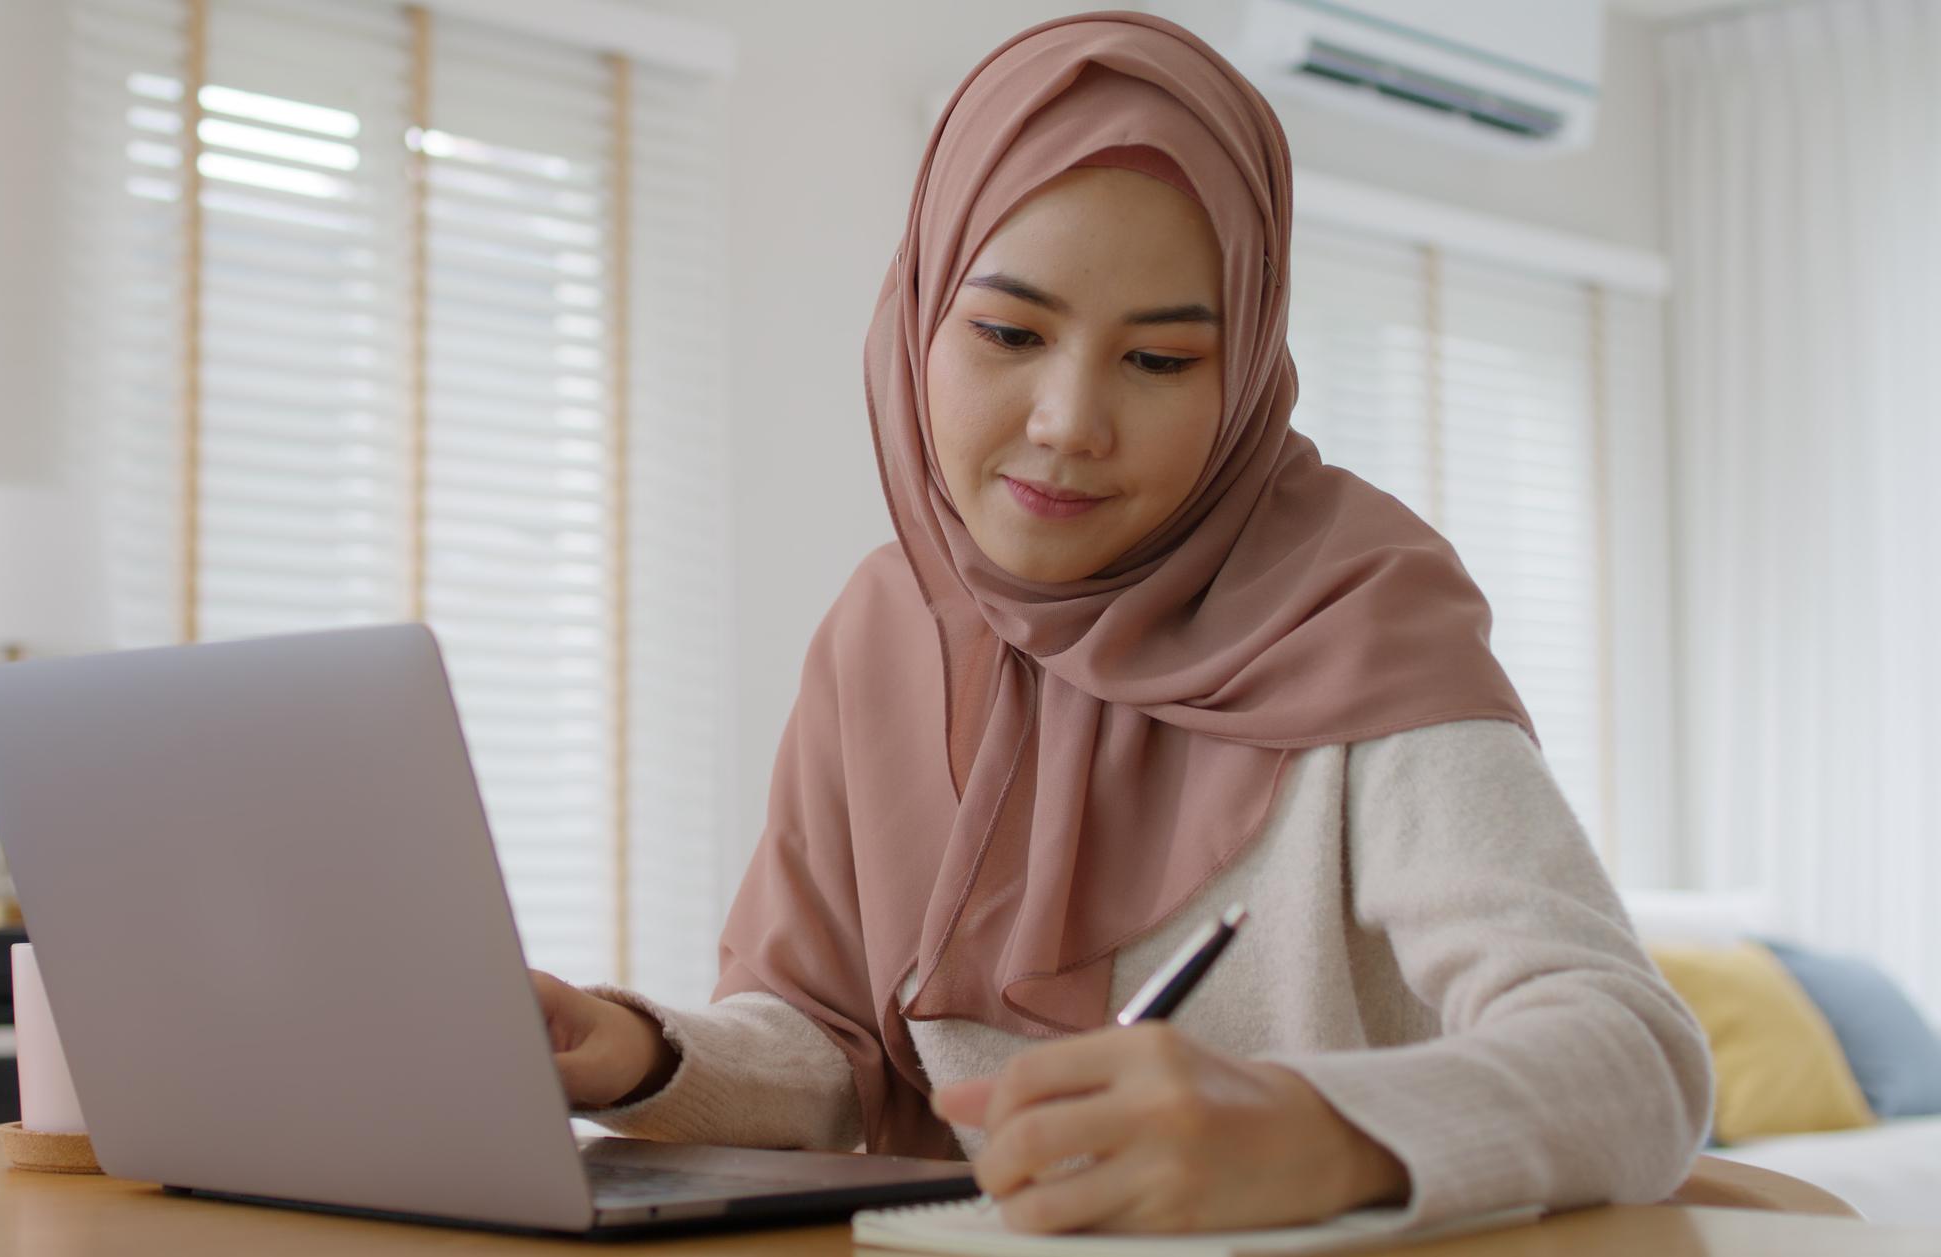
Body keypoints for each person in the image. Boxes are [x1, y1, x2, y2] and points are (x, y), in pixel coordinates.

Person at [528, 10, 1713, 1237]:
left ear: (1243, 365)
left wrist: (1323, 1134)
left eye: (1156, 361)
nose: (1067, 422)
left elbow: (1633, 1059)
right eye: (1006, 334)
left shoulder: (1355, 609)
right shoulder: (885, 625)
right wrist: (633, 1054)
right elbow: (832, 1052)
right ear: (920, 314)